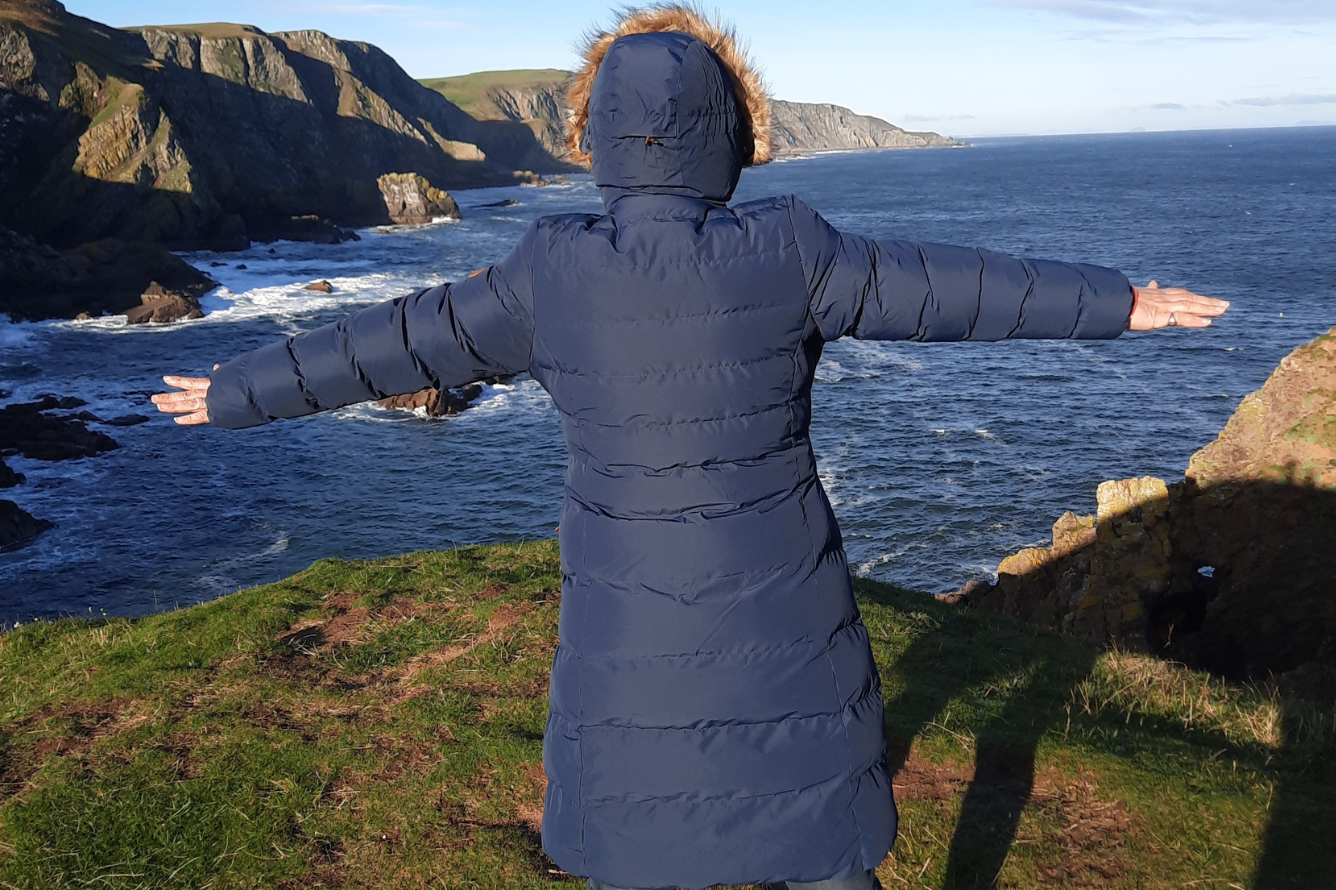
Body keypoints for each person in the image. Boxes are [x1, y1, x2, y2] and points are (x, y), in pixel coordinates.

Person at [154, 5, 1228, 889]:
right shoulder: (793, 251)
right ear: (730, 132)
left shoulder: (542, 273)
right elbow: (954, 287)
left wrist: (238, 388)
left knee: (640, 822)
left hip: (627, 617)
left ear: (595, 138)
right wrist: (1119, 300)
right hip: (788, 601)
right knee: (820, 834)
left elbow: (390, 341)